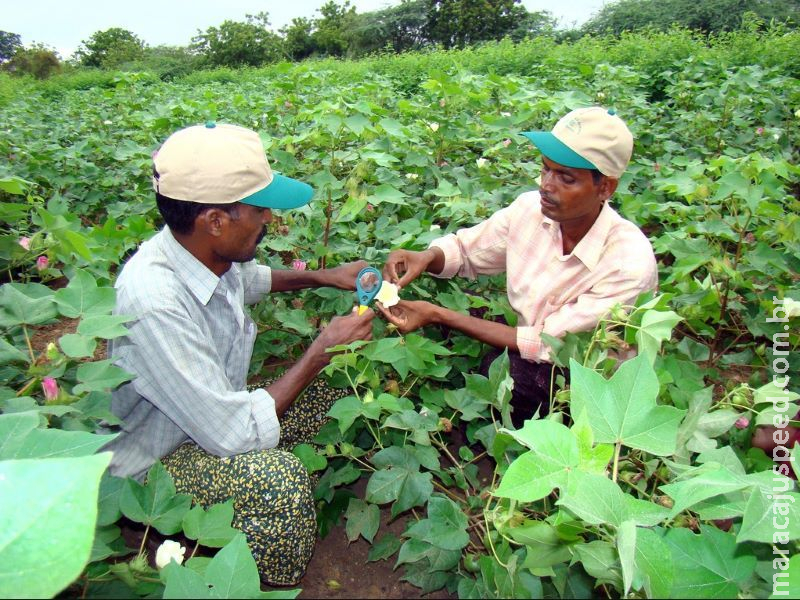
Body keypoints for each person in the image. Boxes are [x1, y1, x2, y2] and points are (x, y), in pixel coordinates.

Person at [102, 122, 374, 585]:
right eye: (259, 209)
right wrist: (320, 351)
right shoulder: (153, 300)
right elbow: (232, 432)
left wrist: (324, 276)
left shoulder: (203, 252)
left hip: (208, 412)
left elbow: (251, 281)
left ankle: (250, 519)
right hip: (159, 459)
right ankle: (261, 586)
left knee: (335, 393)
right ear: (215, 220)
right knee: (278, 483)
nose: (269, 219)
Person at [379, 107, 657, 425]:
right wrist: (426, 257)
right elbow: (466, 251)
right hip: (539, 337)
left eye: (566, 178)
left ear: (605, 188)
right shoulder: (530, 210)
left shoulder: (628, 264)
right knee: (483, 339)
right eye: (545, 169)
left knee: (505, 375)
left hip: (587, 381)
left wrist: (438, 314)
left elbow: (548, 344)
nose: (547, 185)